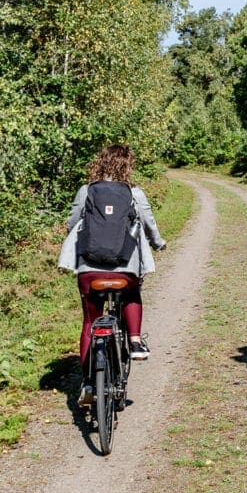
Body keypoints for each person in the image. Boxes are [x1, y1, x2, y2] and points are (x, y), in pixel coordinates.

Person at [62, 144, 166, 407]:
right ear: (127, 166)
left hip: (90, 270)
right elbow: (149, 224)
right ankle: (135, 341)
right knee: (131, 291)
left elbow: (72, 223)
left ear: (100, 163)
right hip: (125, 269)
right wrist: (158, 242)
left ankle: (88, 383)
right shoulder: (134, 193)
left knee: (90, 321)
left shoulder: (86, 191)